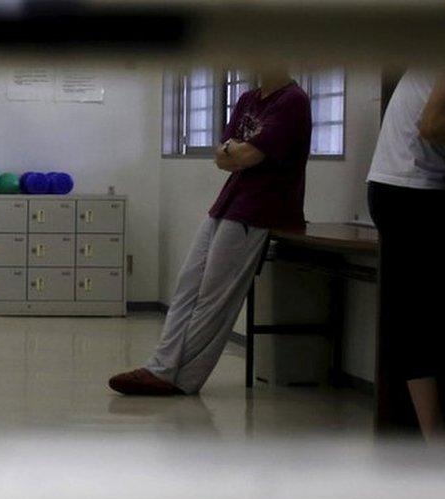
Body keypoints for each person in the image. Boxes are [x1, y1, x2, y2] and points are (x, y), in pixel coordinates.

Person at [109, 68, 312, 396]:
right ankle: (162, 366)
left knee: (214, 298)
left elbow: (245, 153)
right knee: (188, 285)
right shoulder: (248, 99)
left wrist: (238, 153)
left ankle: (181, 378)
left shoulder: (292, 101)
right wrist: (237, 154)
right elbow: (222, 156)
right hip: (228, 203)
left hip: (260, 210)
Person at [366, 69, 445, 441]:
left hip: (408, 186)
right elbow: (432, 125)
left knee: (428, 313)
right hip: (410, 189)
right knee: (439, 313)